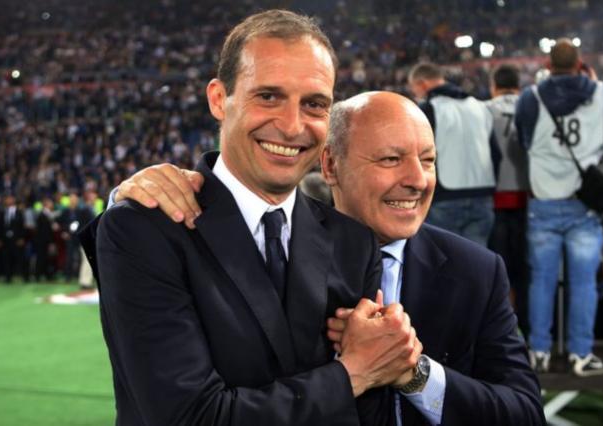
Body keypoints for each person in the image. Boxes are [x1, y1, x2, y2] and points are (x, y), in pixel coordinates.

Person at [115, 92, 545, 425]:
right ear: (331, 166)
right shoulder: (274, 251)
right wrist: (135, 199)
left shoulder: (476, 270)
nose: (417, 180)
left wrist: (413, 373)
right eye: (391, 159)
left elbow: (525, 414)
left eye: (428, 160)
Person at [83, 10, 417, 426]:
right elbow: (191, 418)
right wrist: (352, 375)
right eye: (269, 97)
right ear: (218, 99)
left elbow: (367, 415)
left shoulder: (353, 243)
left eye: (314, 104)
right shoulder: (143, 229)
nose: (292, 126)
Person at [515, 38, 603, 376]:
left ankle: (539, 351)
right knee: (583, 284)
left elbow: (523, 140)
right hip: (584, 203)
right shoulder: (601, 92)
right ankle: (581, 354)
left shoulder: (531, 97)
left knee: (542, 281)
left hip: (544, 202)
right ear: (580, 64)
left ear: (548, 65)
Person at [408, 62, 498, 247]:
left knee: (441, 259)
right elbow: (496, 154)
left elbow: (417, 155)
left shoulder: (428, 109)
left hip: (444, 197)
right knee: (476, 260)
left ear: (422, 84)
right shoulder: (481, 107)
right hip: (482, 195)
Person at [484, 64, 529, 335]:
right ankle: (526, 327)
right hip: (528, 199)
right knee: (525, 270)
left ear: (494, 86)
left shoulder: (483, 109)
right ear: (518, 86)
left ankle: (505, 331)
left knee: (498, 272)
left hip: (495, 200)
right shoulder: (531, 106)